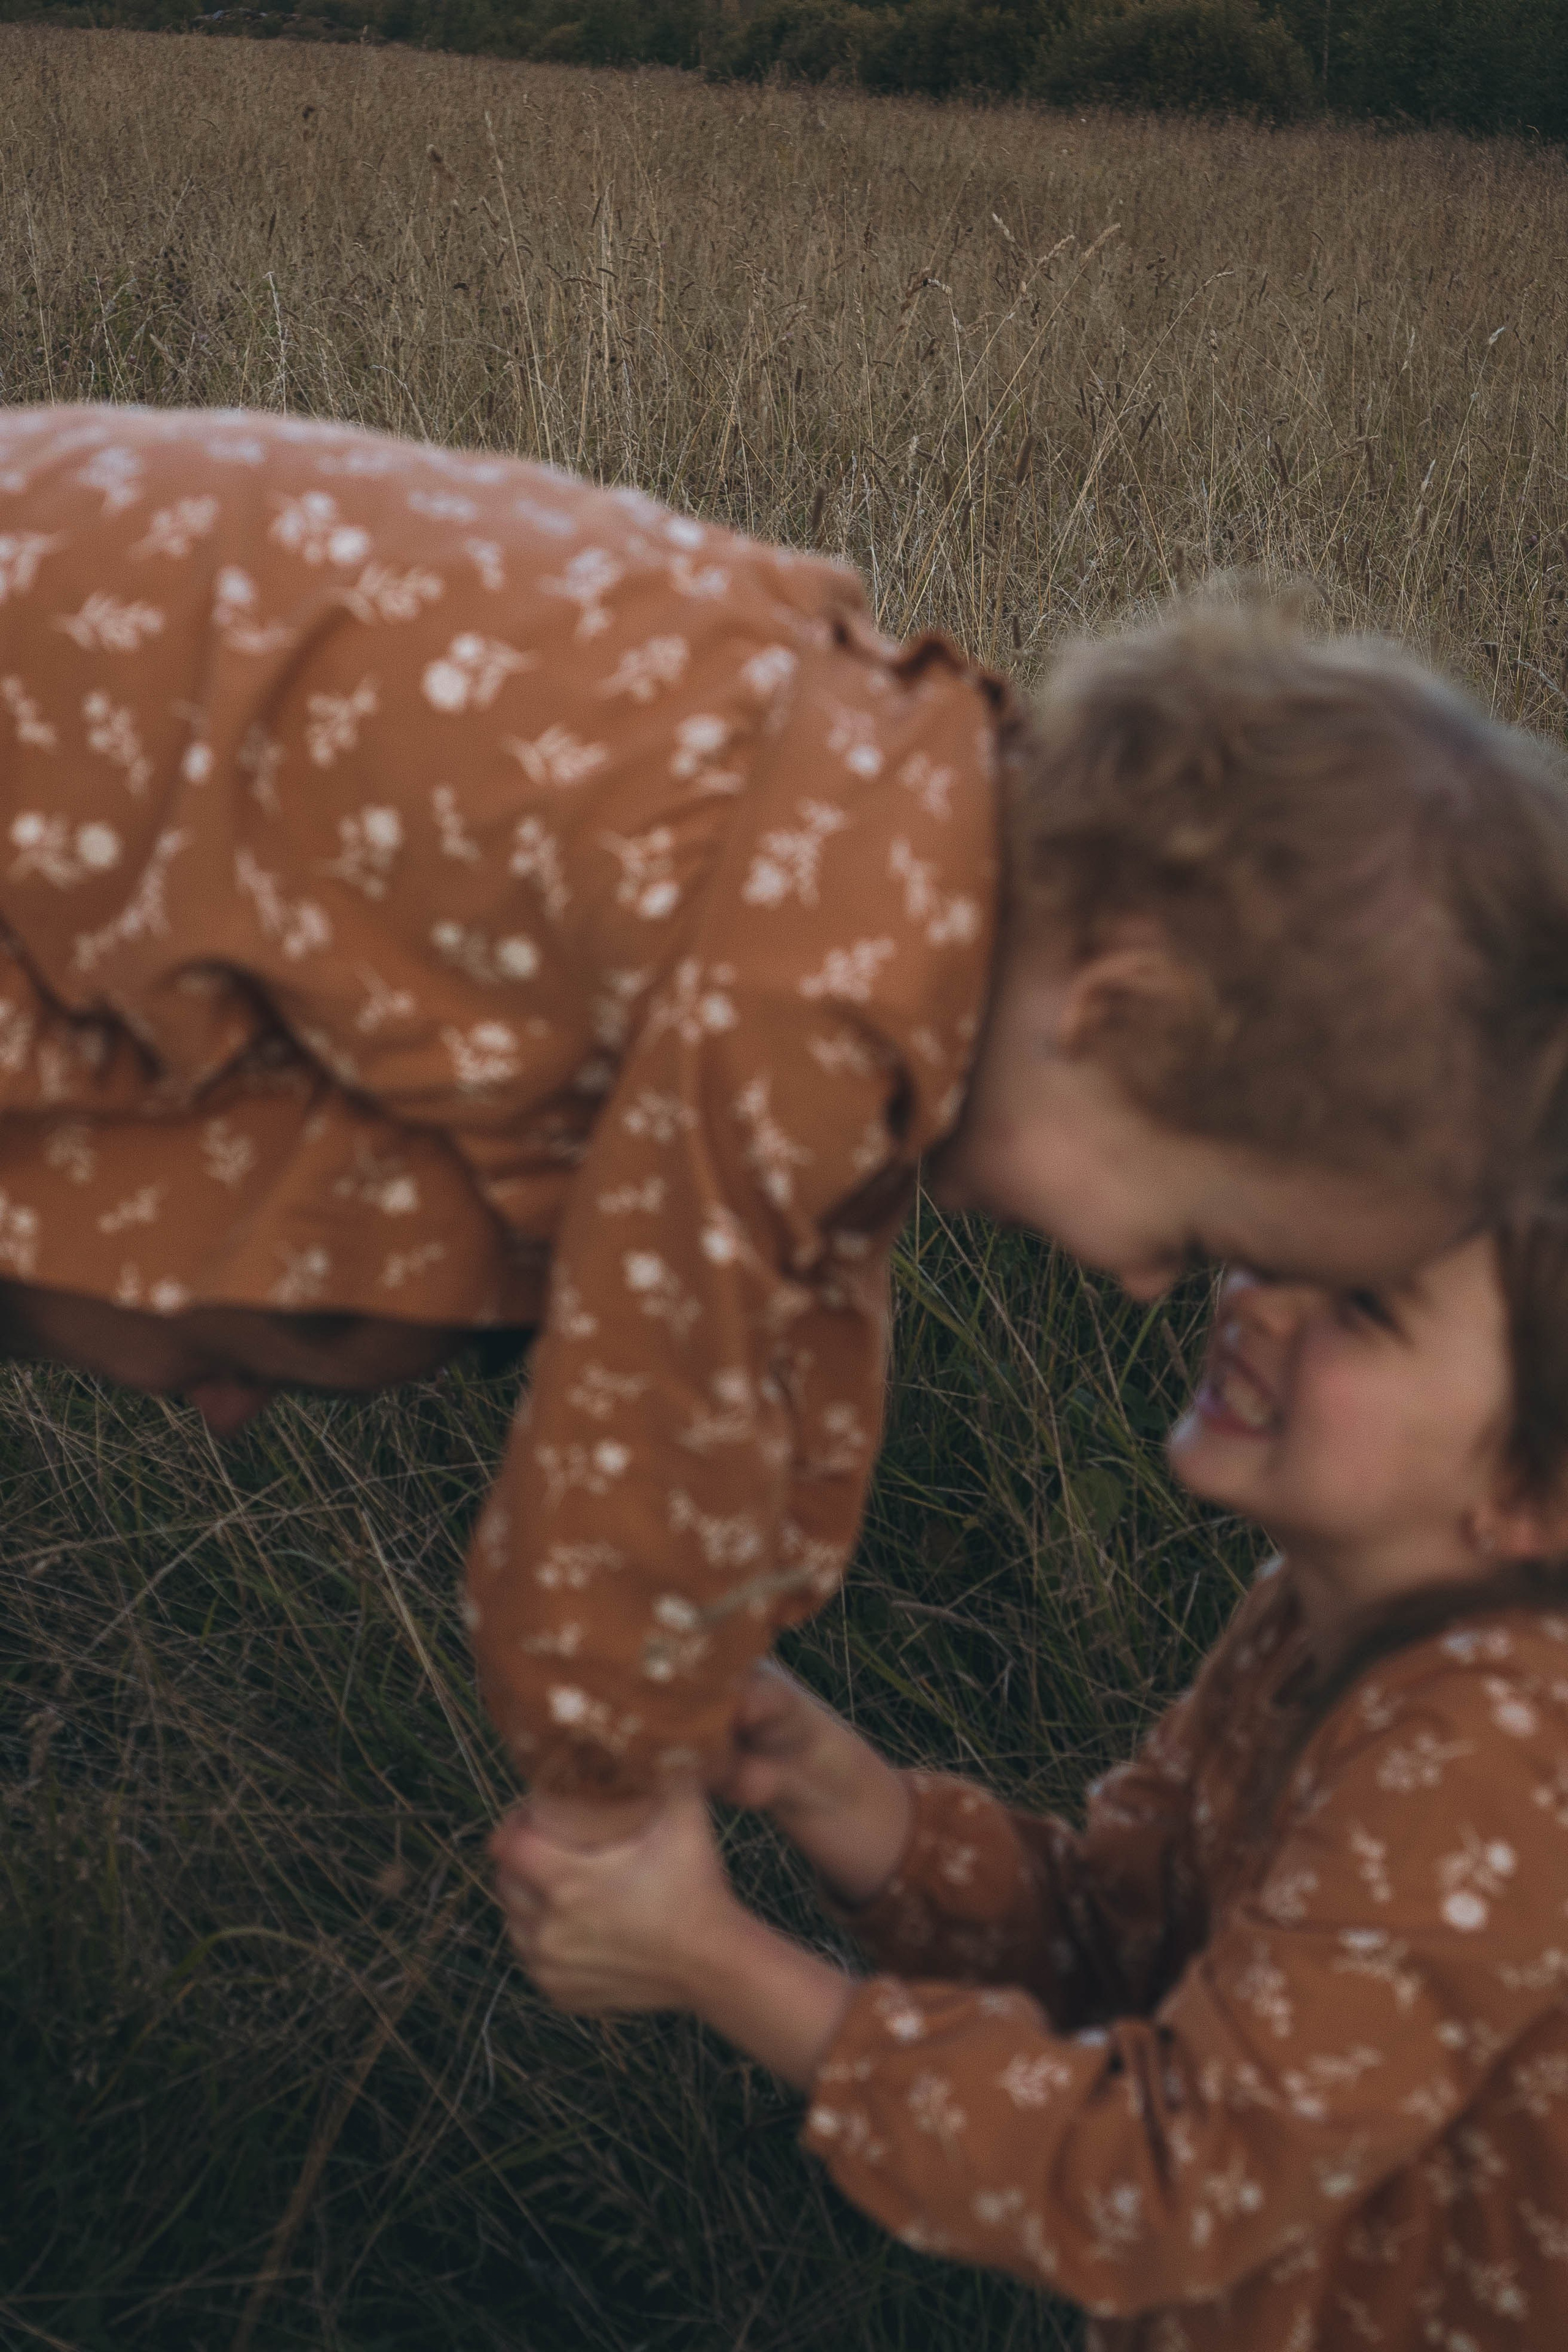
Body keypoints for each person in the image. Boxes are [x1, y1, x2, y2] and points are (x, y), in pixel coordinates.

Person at [4, 401, 1568, 1829]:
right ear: (1121, 1011)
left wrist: (753, 1597)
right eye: (1197, 1232)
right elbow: (654, 1383)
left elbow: (798, 1275)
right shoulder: (823, 976)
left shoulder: (877, 808)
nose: (1151, 1282)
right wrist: (614, 1776)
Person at [495, 1213, 1568, 2350]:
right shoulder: (1311, 1621)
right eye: (1281, 1240)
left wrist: (711, 1962)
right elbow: (1125, 1957)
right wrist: (835, 1789)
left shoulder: (1499, 1756)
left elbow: (1167, 2178)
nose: (1260, 1297)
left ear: (1533, 1492)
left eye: (1364, 1306)